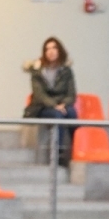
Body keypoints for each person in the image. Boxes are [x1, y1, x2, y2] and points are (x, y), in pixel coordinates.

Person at [23, 36, 77, 165]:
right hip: (42, 107)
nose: (51, 51)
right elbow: (39, 95)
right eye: (47, 49)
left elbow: (71, 94)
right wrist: (54, 105)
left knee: (72, 113)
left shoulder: (66, 71)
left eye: (54, 48)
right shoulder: (37, 72)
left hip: (61, 105)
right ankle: (58, 154)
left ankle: (76, 149)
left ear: (59, 50)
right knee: (57, 115)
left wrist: (64, 104)